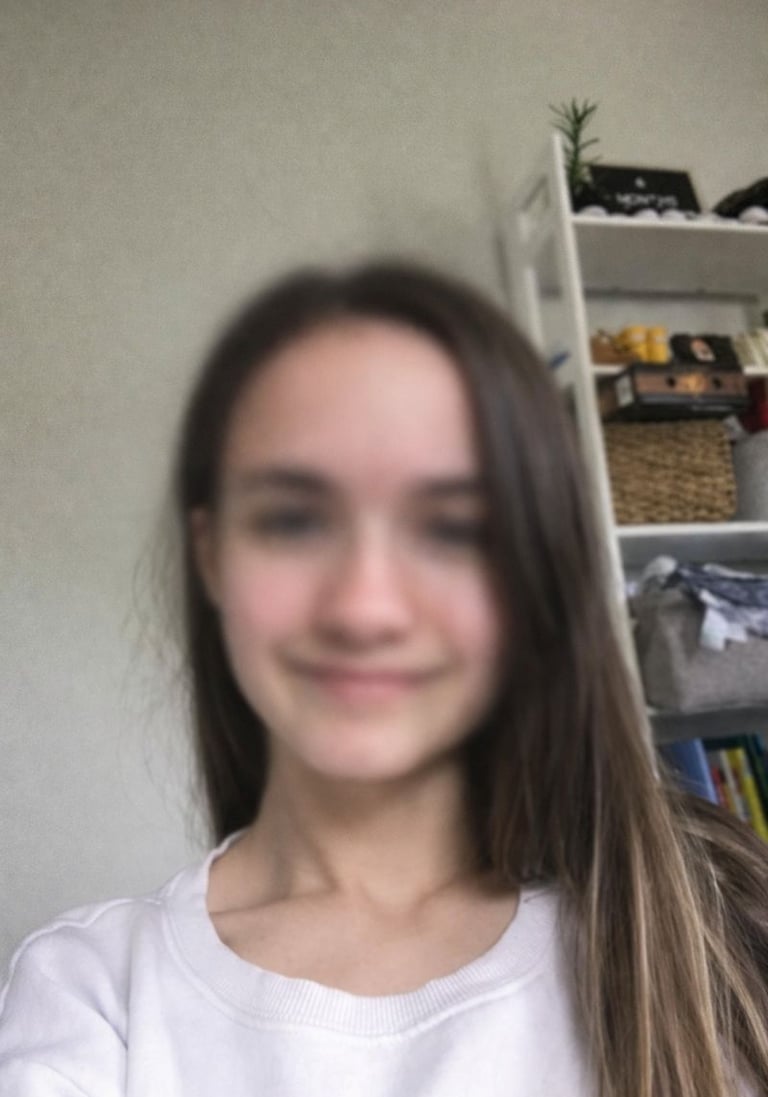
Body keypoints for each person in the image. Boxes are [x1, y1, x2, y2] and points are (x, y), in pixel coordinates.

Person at [1, 260, 767, 1097]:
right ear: (212, 555)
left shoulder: (706, 921)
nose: (365, 607)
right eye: (294, 520)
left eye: (453, 528)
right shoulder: (94, 996)